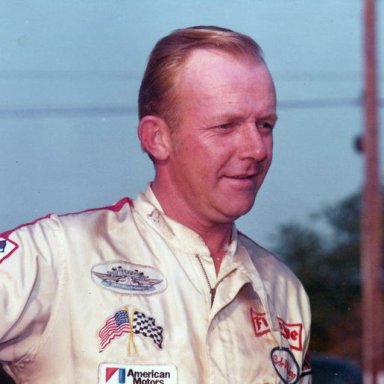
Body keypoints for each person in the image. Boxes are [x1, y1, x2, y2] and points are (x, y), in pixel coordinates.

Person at [0, 26, 311, 383]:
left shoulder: (284, 290)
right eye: (226, 126)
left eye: (265, 125)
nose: (256, 149)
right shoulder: (58, 256)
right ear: (157, 138)